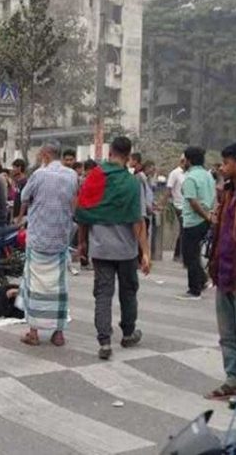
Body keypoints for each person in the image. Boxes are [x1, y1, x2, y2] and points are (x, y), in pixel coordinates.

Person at [77, 136, 151, 360]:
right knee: (128, 291)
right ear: (128, 156)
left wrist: (82, 242)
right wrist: (145, 252)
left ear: (110, 153)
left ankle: (104, 342)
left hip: (100, 249)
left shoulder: (94, 177)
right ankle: (128, 333)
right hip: (126, 250)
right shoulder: (132, 183)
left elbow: (83, 212)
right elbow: (138, 221)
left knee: (102, 294)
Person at [17, 141, 79, 347]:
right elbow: (74, 204)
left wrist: (20, 218)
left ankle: (33, 332)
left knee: (35, 285)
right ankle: (58, 333)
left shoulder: (39, 174)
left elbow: (24, 197)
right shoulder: (72, 175)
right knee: (58, 288)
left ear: (45, 154)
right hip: (60, 239)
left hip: (38, 239)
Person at [206, 143, 236, 399]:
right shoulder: (227, 193)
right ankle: (232, 379)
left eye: (227, 163)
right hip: (224, 271)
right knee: (227, 334)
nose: (222, 168)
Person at [177, 146, 217, 300]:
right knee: (193, 254)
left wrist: (205, 216)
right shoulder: (208, 176)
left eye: (184, 159)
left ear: (189, 160)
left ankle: (194, 289)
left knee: (190, 256)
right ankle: (201, 280)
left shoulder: (191, 178)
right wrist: (209, 216)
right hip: (205, 220)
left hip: (193, 221)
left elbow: (193, 201)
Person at [167, 156, 187, 262]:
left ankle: (179, 253)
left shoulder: (188, 174)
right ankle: (179, 254)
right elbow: (169, 189)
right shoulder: (175, 173)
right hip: (178, 204)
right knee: (183, 228)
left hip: (186, 205)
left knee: (184, 229)